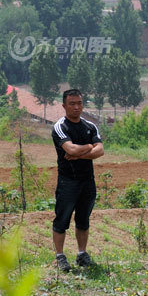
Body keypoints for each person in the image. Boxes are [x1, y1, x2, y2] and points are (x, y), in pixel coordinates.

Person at [51, 89, 104, 272]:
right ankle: (60, 256)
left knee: (83, 219)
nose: (76, 107)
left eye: (79, 103)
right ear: (64, 105)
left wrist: (81, 153)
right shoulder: (60, 127)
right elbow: (70, 149)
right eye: (72, 103)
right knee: (62, 220)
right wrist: (90, 146)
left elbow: (101, 151)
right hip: (68, 181)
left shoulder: (90, 126)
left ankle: (82, 254)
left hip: (87, 181)